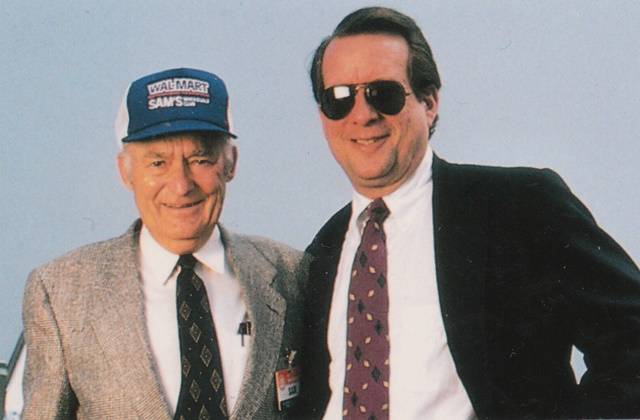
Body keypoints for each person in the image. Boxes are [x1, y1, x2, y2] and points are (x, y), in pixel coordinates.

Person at [300, 7, 640, 419]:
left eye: (382, 93)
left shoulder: (520, 206)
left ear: (429, 102)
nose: (362, 114)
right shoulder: (322, 251)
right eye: (339, 98)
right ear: (323, 117)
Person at [21, 68, 306, 419]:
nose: (181, 185)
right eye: (158, 163)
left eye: (200, 160)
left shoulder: (292, 274)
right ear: (126, 171)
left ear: (230, 163)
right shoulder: (61, 292)